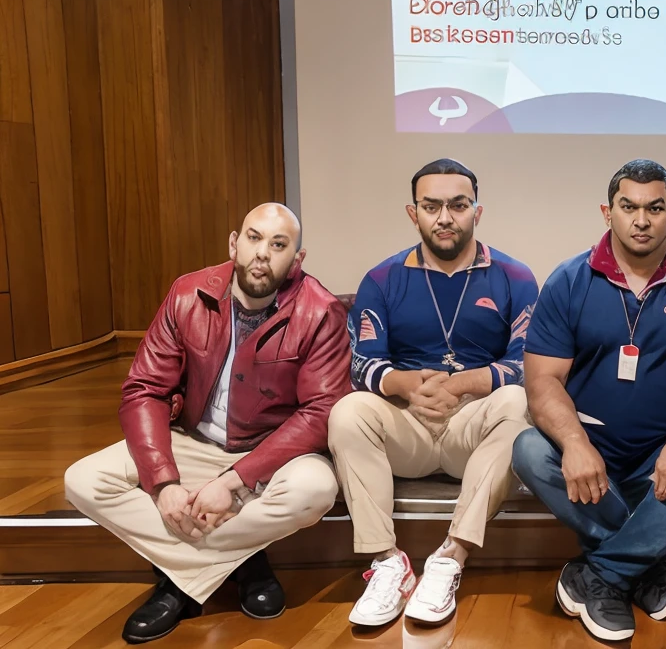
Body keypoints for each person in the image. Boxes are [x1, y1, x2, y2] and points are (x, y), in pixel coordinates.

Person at [64, 204, 348, 644]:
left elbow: (321, 410)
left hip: (270, 452)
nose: (262, 254)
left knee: (316, 491)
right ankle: (243, 559)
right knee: (82, 480)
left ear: (297, 259)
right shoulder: (186, 294)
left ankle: (177, 583)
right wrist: (164, 484)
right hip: (192, 441)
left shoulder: (320, 310)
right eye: (254, 238)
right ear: (234, 242)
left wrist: (235, 480)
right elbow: (145, 389)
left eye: (278, 245)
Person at [514, 159, 666, 642]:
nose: (641, 220)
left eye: (655, 208)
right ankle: (649, 560)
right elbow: (541, 384)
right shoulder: (569, 280)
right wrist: (576, 443)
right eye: (628, 207)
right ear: (608, 212)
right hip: (591, 459)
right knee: (528, 450)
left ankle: (602, 575)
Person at [328, 159, 539, 627]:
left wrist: (463, 383)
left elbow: (528, 363)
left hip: (474, 428)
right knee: (348, 412)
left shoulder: (515, 276)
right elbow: (361, 362)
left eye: (458, 205)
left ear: (476, 212)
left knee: (518, 403)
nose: (445, 217)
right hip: (408, 424)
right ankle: (387, 564)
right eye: (432, 206)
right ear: (413, 212)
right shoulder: (382, 278)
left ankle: (450, 557)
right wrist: (406, 384)